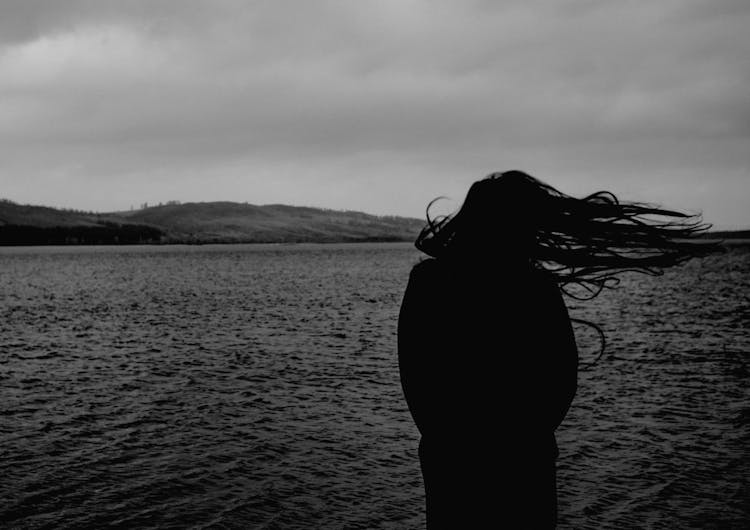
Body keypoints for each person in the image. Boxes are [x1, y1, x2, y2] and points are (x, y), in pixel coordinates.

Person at [397, 170, 713, 528]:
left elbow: (415, 376)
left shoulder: (429, 283)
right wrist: (524, 436)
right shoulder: (534, 287)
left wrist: (449, 437)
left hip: (453, 459)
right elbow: (562, 378)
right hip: (522, 460)